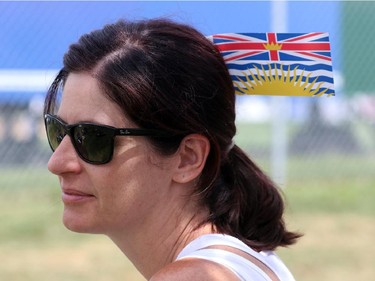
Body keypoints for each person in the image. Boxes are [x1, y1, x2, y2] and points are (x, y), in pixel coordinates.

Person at [43, 18, 301, 281]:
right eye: (58, 131)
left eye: (93, 138)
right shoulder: (245, 260)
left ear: (188, 158)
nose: (58, 163)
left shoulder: (193, 277)